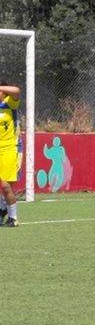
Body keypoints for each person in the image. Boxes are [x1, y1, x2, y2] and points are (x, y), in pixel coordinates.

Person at [0, 81, 22, 227]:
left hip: (9, 149)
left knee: (6, 185)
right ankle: (2, 210)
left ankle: (13, 218)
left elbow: (17, 90)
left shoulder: (9, 103)